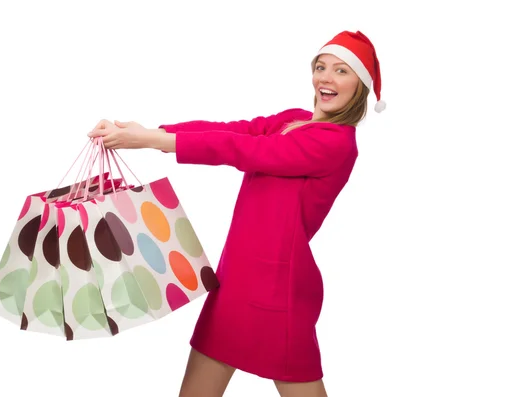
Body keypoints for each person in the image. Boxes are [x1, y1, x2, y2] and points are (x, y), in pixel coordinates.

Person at [88, 30, 385, 397]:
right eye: (321, 67)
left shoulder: (335, 143)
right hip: (235, 278)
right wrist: (153, 132)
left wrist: (153, 141)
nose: (325, 77)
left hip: (278, 288)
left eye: (342, 71)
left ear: (361, 86)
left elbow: (243, 149)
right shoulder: (292, 119)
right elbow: (233, 130)